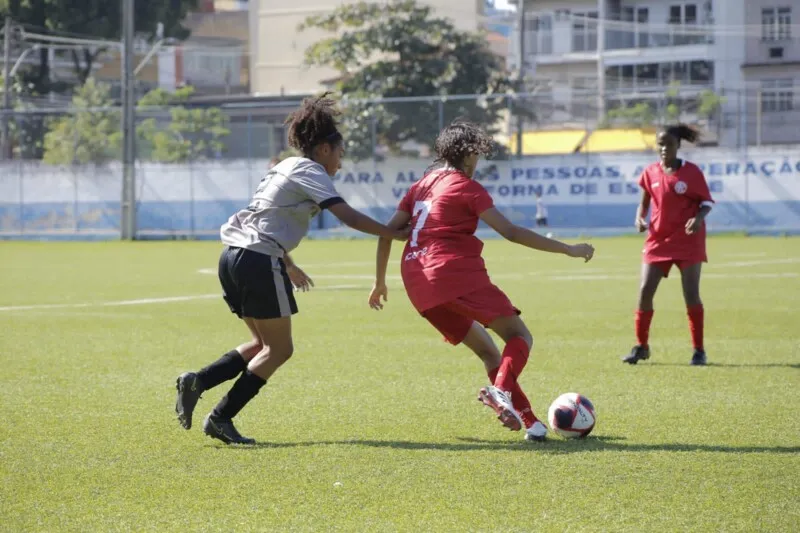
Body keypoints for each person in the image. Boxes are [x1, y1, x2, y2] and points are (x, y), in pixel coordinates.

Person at [174, 93, 408, 444]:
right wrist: (391, 232)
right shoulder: (311, 170)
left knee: (260, 343)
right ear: (325, 149)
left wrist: (289, 263)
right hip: (257, 259)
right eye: (340, 155)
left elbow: (268, 218)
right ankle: (221, 417)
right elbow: (346, 215)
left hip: (234, 255)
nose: (340, 164)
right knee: (280, 350)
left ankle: (199, 381)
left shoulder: (283, 166)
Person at [368, 122, 595, 442]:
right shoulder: (466, 187)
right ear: (470, 153)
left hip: (418, 284)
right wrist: (568, 249)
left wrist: (379, 282)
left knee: (490, 353)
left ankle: (532, 424)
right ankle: (500, 391)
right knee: (519, 336)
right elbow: (511, 232)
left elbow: (387, 232)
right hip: (453, 273)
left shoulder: (419, 186)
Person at [622, 124, 714, 366]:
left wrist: (698, 218)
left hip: (688, 241)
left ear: (678, 146)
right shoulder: (650, 172)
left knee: (691, 295)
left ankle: (699, 350)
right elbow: (643, 203)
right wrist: (639, 217)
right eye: (660, 144)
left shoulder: (691, 173)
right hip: (657, 241)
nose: (664, 149)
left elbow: (706, 202)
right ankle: (641, 347)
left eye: (669, 144)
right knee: (644, 292)